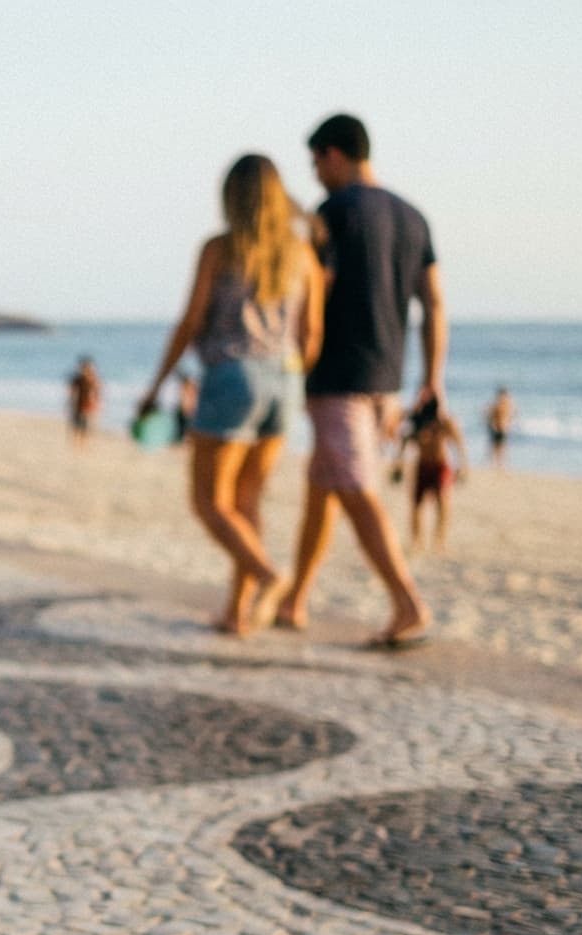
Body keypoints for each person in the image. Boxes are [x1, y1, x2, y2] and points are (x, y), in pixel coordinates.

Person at [137, 153, 325, 636]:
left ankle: (268, 576)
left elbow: (190, 321)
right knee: (247, 503)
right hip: (285, 380)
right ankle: (238, 611)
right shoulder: (302, 254)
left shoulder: (220, 249)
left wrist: (158, 384)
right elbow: (312, 336)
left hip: (232, 376)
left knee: (210, 503)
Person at [276, 112, 439, 649]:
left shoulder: (333, 214)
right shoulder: (414, 218)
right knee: (322, 487)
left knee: (353, 488)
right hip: (387, 378)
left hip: (339, 375)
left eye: (316, 162)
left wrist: (295, 357)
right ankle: (295, 598)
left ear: (335, 154)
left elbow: (312, 294)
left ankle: (407, 602)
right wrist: (430, 379)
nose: (315, 174)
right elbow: (434, 303)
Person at [396, 399, 468, 549]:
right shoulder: (417, 424)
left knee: (442, 503)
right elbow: (405, 441)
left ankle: (439, 540)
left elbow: (459, 443)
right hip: (422, 466)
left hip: (440, 466)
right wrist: (399, 465)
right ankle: (417, 541)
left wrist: (462, 466)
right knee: (417, 505)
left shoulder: (445, 423)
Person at [66, 356, 103, 444]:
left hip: (89, 406)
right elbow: (72, 391)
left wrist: (98, 404)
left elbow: (98, 392)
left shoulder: (93, 378)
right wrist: (70, 402)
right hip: (78, 405)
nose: (84, 369)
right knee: (77, 426)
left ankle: (84, 444)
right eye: (83, 367)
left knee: (86, 427)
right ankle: (77, 443)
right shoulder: (77, 379)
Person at [486, 384, 514, 468]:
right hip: (498, 427)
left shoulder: (504, 404)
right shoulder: (502, 404)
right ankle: (497, 464)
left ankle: (499, 464)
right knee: (497, 447)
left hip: (501, 427)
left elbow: (511, 415)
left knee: (499, 447)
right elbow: (490, 414)